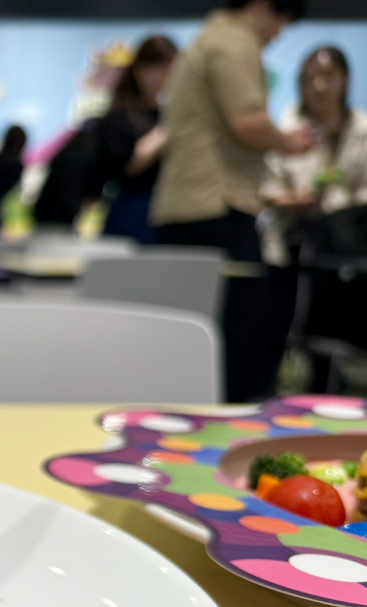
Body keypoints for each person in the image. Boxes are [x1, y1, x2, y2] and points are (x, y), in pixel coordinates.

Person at [152, 0, 315, 402]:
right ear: (262, 7)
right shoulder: (235, 42)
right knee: (246, 349)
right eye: (280, 21)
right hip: (216, 206)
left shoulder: (206, 39)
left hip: (187, 207)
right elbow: (248, 122)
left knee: (189, 344)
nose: (277, 34)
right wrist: (289, 142)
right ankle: (233, 430)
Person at [261, 47, 367, 390]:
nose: (319, 86)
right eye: (309, 79)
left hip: (353, 255)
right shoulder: (286, 130)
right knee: (297, 337)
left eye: (327, 76)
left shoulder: (362, 128)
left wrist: (342, 205)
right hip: (299, 251)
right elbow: (267, 191)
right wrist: (297, 200)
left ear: (345, 79)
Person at [94, 36, 179, 243]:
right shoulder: (120, 117)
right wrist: (168, 130)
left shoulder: (168, 114)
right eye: (161, 69)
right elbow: (129, 164)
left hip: (167, 210)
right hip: (131, 211)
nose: (166, 77)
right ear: (140, 70)